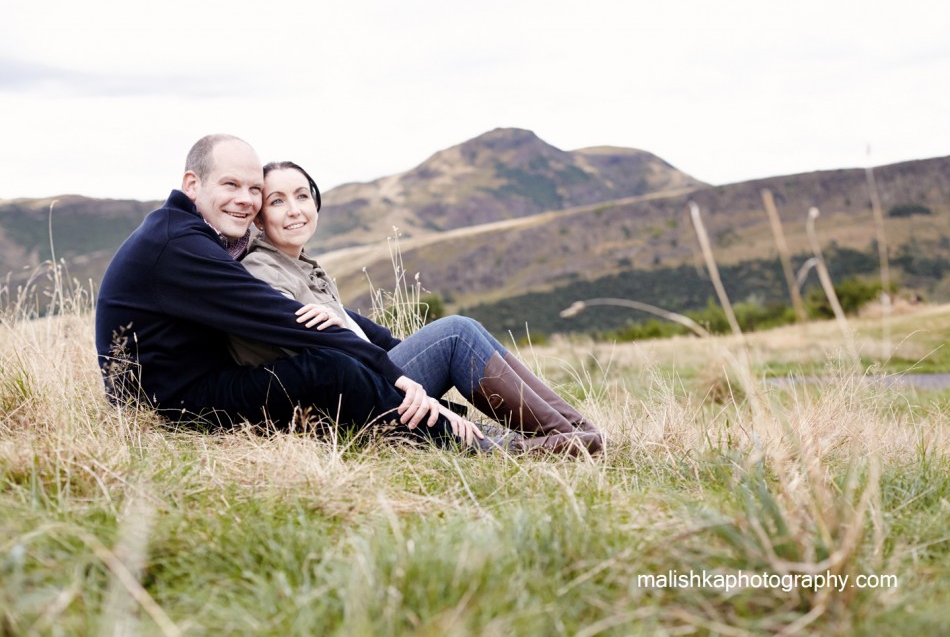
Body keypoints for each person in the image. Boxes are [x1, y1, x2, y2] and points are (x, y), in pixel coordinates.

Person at [95, 134, 477, 449]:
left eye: (254, 189)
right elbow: (276, 314)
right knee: (330, 368)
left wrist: (386, 352)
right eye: (230, 184)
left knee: (354, 359)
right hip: (173, 407)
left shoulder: (197, 235)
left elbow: (305, 310)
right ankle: (470, 441)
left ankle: (464, 425)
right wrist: (392, 372)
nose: (245, 198)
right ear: (192, 184)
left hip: (198, 386)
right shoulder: (177, 244)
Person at [228, 160, 604, 456]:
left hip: (364, 384)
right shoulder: (262, 269)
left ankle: (578, 432)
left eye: (302, 196)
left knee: (463, 334)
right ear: (259, 218)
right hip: (341, 404)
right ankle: (566, 435)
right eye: (278, 201)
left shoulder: (303, 266)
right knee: (456, 333)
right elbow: (301, 359)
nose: (294, 210)